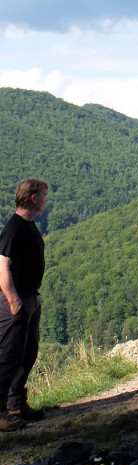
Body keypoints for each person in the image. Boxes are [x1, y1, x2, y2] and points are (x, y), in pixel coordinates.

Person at [0, 178, 49, 431]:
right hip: (16, 301)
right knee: (8, 356)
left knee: (27, 354)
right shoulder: (14, 228)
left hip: (29, 297)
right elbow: (2, 266)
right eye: (43, 194)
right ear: (32, 198)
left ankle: (17, 404)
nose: (45, 199)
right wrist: (13, 299)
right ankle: (0, 413)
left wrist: (33, 298)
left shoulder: (28, 225)